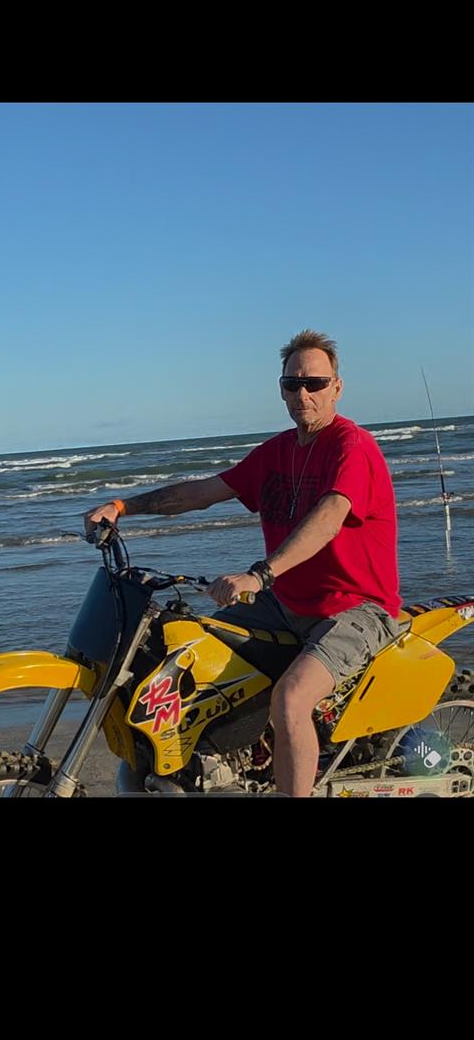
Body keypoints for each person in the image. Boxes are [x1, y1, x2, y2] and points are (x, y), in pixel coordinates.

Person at [84, 329, 401, 797]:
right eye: (292, 384)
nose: (303, 394)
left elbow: (329, 518)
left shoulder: (351, 446)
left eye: (314, 383)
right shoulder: (276, 452)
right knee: (195, 649)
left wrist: (260, 575)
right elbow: (201, 493)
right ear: (281, 390)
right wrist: (122, 507)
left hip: (355, 608)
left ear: (336, 387)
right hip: (285, 603)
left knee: (290, 699)